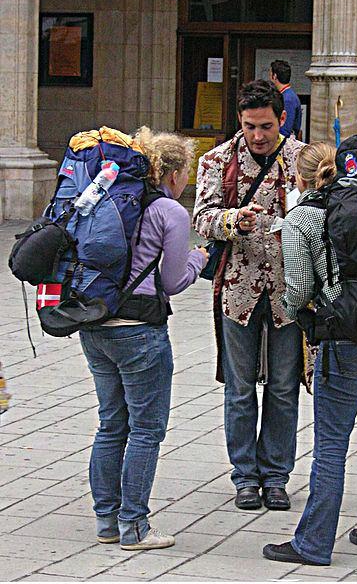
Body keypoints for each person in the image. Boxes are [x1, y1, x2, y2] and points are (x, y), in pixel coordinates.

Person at [263, 141, 357, 566]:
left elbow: (301, 290)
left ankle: (313, 543)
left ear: (299, 178)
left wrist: (289, 311)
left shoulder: (302, 219)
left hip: (342, 340)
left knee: (330, 445)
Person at [79, 127, 208, 551]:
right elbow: (171, 282)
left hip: (96, 324)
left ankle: (105, 521)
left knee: (111, 423)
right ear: (173, 174)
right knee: (146, 429)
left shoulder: (109, 200)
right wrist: (197, 258)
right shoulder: (170, 213)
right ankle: (134, 525)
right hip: (140, 332)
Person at [193, 79, 305, 511]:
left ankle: (276, 476)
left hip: (290, 291)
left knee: (282, 386)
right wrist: (231, 220)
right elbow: (201, 217)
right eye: (249, 126)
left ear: (282, 119)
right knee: (239, 388)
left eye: (265, 126)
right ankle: (244, 477)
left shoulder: (301, 159)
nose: (258, 136)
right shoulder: (217, 160)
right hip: (236, 289)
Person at [269, 60, 302, 139]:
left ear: (275, 76)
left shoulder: (288, 99)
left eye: (270, 74)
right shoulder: (285, 95)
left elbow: (284, 129)